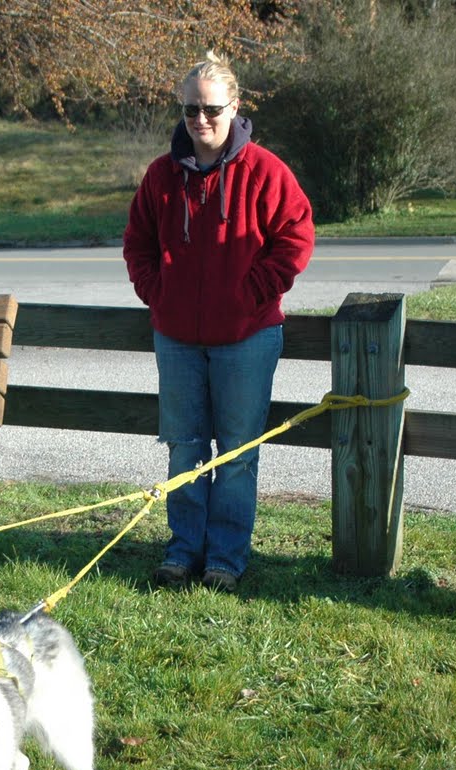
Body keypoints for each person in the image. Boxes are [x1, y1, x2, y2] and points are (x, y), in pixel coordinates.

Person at [122, 50, 315, 593]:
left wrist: (250, 294)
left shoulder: (266, 172)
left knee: (235, 454)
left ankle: (226, 558)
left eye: (210, 109)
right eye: (189, 110)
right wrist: (159, 294)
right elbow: (137, 243)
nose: (200, 121)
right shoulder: (162, 177)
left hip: (247, 338)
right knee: (184, 447)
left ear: (234, 107)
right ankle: (183, 550)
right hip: (177, 338)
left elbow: (296, 239)